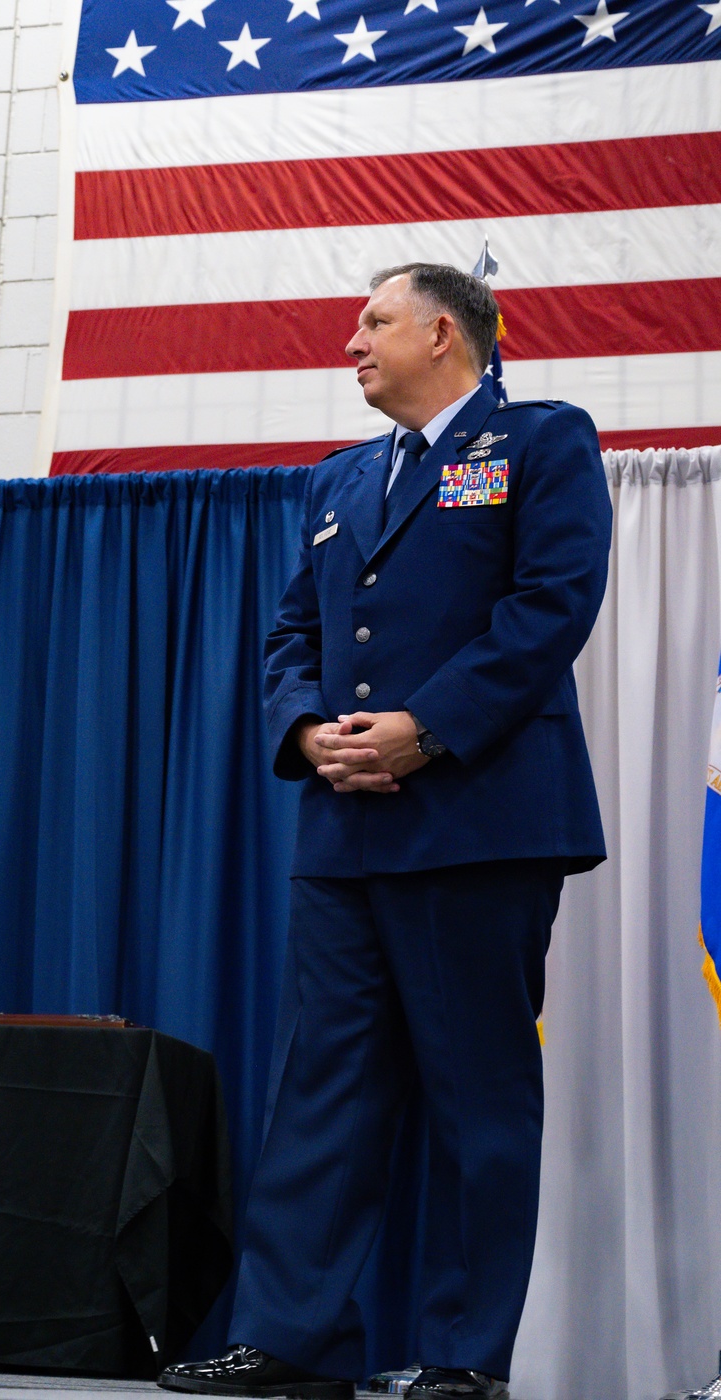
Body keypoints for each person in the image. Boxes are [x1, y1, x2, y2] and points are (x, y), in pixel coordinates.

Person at [158, 263, 613, 1400]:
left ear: (444, 333)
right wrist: (307, 731)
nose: (350, 342)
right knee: (322, 1088)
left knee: (477, 1091)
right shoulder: (339, 475)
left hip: (478, 817)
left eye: (372, 321)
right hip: (344, 827)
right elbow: (287, 634)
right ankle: (286, 1336)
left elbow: (551, 604)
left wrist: (429, 729)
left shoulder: (541, 440)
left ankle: (463, 1354)